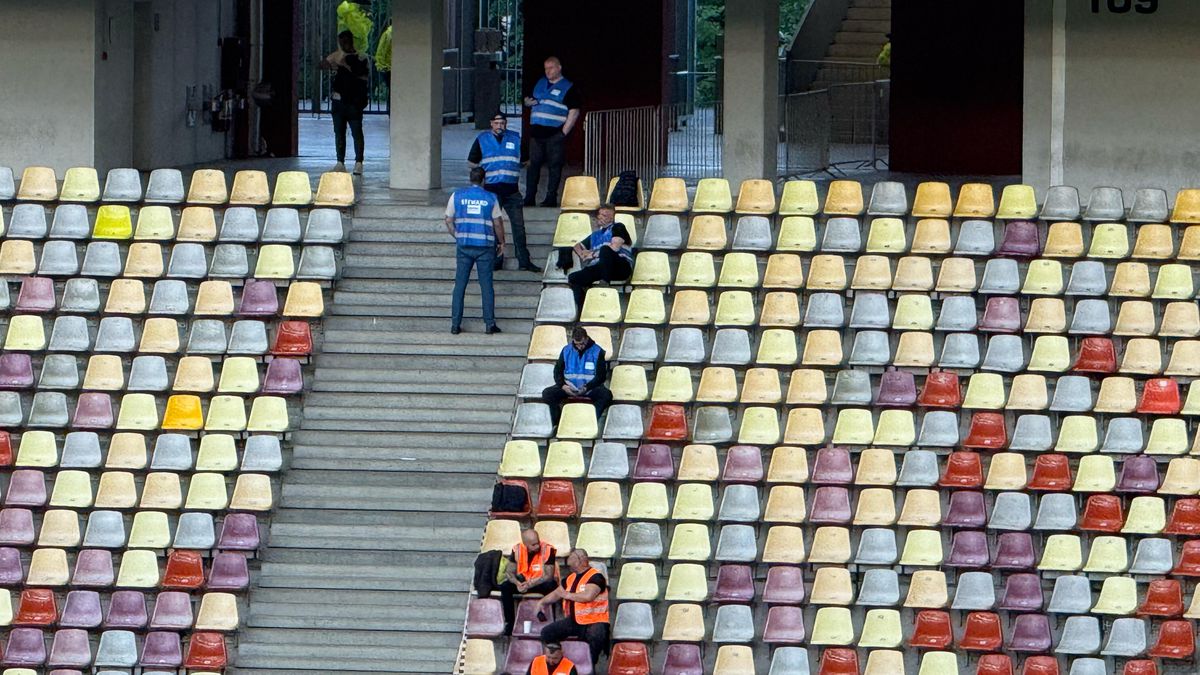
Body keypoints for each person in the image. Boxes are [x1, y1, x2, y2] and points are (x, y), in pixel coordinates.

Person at [468, 111, 537, 272]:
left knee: (519, 227)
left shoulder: (515, 138)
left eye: (503, 123)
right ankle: (496, 261)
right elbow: (471, 163)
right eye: (497, 123)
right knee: (493, 228)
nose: (500, 126)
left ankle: (524, 261)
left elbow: (526, 161)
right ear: (491, 123)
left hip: (512, 190)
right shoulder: (482, 139)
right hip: (491, 192)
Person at [446, 167, 505, 335]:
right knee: (486, 286)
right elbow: (498, 223)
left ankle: (455, 324)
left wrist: (457, 235)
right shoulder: (490, 197)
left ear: (470, 178)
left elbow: (448, 220)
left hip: (464, 246)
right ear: (484, 179)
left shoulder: (457, 196)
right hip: (485, 247)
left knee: (460, 286)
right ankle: (489, 324)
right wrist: (502, 242)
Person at [523, 56, 581, 207]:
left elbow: (574, 111)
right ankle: (529, 197)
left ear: (559, 68)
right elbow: (528, 99)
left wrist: (563, 133)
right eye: (546, 68)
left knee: (554, 166)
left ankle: (550, 198)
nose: (548, 71)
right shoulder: (540, 82)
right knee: (533, 166)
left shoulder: (568, 87)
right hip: (536, 133)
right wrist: (528, 102)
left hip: (554, 133)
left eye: (551, 68)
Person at [536, 549, 610, 667]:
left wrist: (567, 595)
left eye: (570, 558)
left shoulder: (596, 577)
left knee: (596, 636)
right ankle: (558, 660)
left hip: (595, 621)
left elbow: (588, 596)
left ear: (579, 560)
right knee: (547, 633)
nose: (568, 562)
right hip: (575, 620)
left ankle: (589, 666)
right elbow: (557, 593)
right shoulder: (571, 578)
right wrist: (542, 602)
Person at [560, 204, 633, 311]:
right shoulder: (595, 235)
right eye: (600, 215)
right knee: (574, 278)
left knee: (605, 249)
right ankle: (583, 310)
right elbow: (577, 246)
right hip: (601, 267)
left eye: (606, 215)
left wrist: (592, 254)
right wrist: (582, 254)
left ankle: (604, 283)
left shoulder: (618, 227)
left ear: (612, 217)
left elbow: (615, 248)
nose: (601, 217)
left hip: (620, 266)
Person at [319, 30, 369, 174]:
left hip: (353, 101)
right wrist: (332, 64)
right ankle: (341, 161)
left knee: (355, 131)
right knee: (341, 131)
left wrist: (343, 65)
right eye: (342, 42)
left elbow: (362, 75)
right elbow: (321, 65)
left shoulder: (360, 57)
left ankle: (357, 161)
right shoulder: (337, 56)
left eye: (345, 41)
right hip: (341, 100)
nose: (344, 44)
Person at [542, 326, 612, 426]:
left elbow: (601, 376)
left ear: (587, 338)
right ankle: (558, 423)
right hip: (569, 387)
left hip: (589, 388)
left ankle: (590, 422)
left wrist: (587, 387)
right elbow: (557, 372)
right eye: (577, 344)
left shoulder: (597, 351)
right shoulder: (566, 350)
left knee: (606, 395)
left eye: (582, 344)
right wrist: (563, 386)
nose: (580, 347)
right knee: (547, 393)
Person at [499, 529, 559, 636]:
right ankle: (510, 623)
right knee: (505, 587)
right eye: (533, 545)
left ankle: (551, 622)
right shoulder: (517, 549)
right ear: (525, 544)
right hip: (524, 581)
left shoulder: (548, 549)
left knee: (552, 585)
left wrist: (530, 584)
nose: (537, 546)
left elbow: (548, 576)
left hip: (540, 582)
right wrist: (517, 583)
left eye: (537, 542)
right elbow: (509, 572)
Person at [375, 24, 392, 114]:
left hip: (387, 66)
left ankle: (391, 112)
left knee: (392, 90)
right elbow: (382, 51)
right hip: (388, 67)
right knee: (393, 90)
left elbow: (381, 50)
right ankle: (391, 111)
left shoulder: (388, 33)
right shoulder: (390, 34)